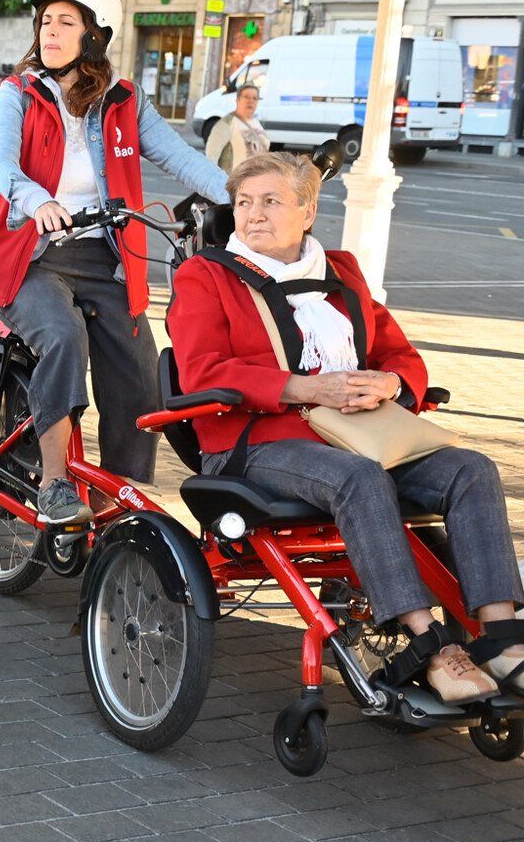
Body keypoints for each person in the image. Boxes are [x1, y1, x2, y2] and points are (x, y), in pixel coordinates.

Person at [169, 152, 524, 702]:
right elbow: (202, 371)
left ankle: (503, 641)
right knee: (359, 479)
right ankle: (427, 646)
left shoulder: (342, 272)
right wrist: (308, 388)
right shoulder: (206, 275)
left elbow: (398, 354)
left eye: (271, 201)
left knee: (472, 469)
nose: (253, 214)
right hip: (256, 442)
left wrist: (388, 385)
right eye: (243, 203)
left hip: (361, 435)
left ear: (307, 212)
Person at [0, 0, 230, 526]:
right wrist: (36, 199)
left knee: (141, 369)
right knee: (63, 338)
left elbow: (178, 157)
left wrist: (246, 196)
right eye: (46, 21)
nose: (51, 31)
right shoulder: (18, 92)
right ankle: (54, 482)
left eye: (67, 21)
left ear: (94, 35)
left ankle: (122, 499)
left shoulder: (124, 100)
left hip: (107, 259)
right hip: (32, 258)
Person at [204, 83, 270, 173]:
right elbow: (211, 158)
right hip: (232, 182)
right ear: (237, 100)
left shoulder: (256, 122)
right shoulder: (225, 124)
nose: (251, 101)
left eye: (255, 98)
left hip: (254, 182)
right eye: (247, 97)